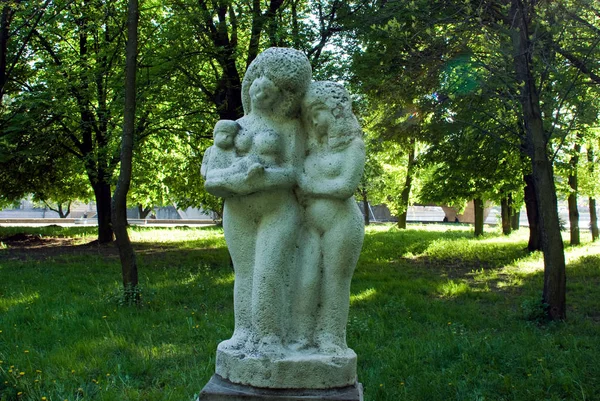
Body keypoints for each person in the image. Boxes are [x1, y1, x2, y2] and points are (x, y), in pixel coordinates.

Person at [203, 48, 312, 354]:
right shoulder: (233, 126)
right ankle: (243, 331)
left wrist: (262, 179)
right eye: (257, 83)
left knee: (269, 273)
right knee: (245, 273)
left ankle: (270, 335)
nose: (260, 89)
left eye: (269, 88)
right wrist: (233, 181)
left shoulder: (290, 127)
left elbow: (294, 172)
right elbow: (216, 169)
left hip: (277, 210)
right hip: (238, 211)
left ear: (282, 96)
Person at [294, 80, 365, 353]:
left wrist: (310, 187)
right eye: (309, 115)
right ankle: (302, 335)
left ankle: (332, 338)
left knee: (335, 280)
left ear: (335, 111)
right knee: (306, 279)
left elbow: (346, 186)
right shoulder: (311, 150)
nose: (313, 121)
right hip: (309, 226)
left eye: (317, 113)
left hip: (342, 224)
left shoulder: (353, 147)